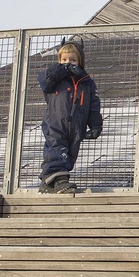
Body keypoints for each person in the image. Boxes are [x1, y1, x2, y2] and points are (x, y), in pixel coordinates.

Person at [37, 39, 103, 194]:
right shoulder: (55, 78)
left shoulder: (86, 83)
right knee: (57, 150)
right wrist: (57, 71)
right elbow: (44, 82)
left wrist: (95, 125)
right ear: (59, 61)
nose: (68, 63)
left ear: (80, 62)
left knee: (70, 155)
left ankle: (48, 182)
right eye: (64, 60)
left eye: (73, 60)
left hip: (76, 126)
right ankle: (60, 181)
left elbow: (93, 105)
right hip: (56, 122)